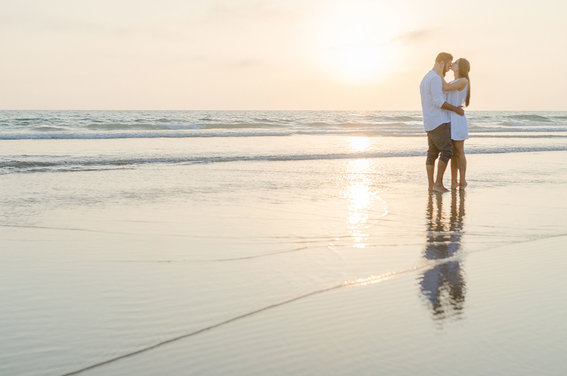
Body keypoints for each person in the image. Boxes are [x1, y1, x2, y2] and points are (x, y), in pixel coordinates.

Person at [419, 52, 465, 193]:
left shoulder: (426, 77)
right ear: (441, 62)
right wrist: (456, 109)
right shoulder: (435, 79)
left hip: (429, 121)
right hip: (439, 120)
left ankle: (431, 185)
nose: (448, 69)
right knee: (447, 151)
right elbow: (439, 102)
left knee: (432, 153)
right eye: (447, 65)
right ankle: (438, 184)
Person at [442, 58, 471, 189]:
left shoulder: (463, 81)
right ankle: (454, 181)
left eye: (456, 63)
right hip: (449, 116)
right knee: (452, 152)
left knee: (459, 151)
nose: (453, 64)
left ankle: (462, 180)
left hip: (457, 118)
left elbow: (446, 88)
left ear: (461, 67)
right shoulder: (453, 81)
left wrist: (437, 73)